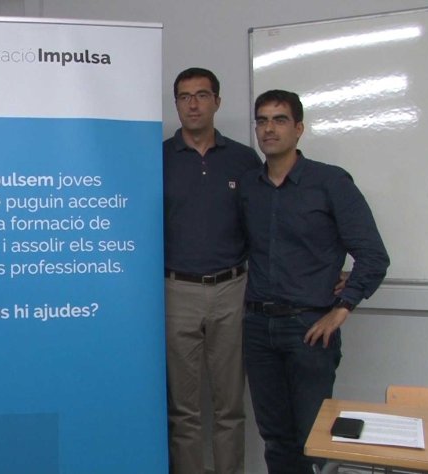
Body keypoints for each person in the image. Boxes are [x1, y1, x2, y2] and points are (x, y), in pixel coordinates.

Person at [240, 90, 389, 473]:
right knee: (275, 438)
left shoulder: (330, 182)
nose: (269, 128)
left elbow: (373, 256)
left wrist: (341, 309)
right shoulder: (249, 187)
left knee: (314, 437)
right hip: (257, 327)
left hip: (309, 328)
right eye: (262, 120)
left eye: (279, 120)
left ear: (299, 128)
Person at [163, 67, 261, 474]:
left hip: (230, 290)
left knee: (229, 406)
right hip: (176, 291)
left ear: (217, 102)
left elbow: (262, 224)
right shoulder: (157, 157)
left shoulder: (243, 159)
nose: (193, 105)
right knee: (182, 409)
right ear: (176, 104)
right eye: (184, 97)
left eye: (202, 95)